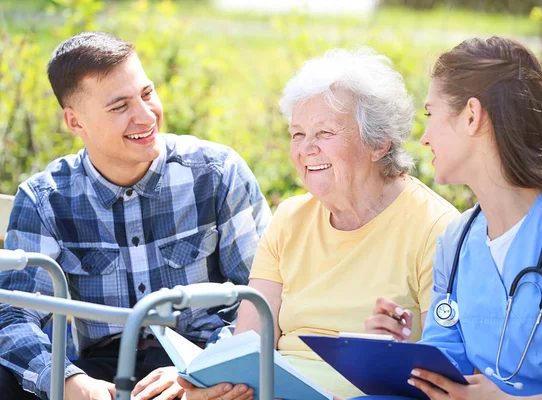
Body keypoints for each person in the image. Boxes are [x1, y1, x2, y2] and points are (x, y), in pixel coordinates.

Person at [173, 48, 459, 400]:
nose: (306, 149)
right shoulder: (290, 220)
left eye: (324, 133)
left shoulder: (436, 228)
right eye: (297, 134)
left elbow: (444, 372)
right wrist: (216, 386)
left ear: (379, 143)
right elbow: (247, 343)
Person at [0, 31, 271, 400]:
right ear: (75, 122)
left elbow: (263, 297)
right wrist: (66, 381)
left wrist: (201, 370)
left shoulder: (218, 173)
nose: (146, 116)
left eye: (147, 94)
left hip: (207, 363)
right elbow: (14, 315)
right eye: (120, 107)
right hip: (101, 372)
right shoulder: (45, 200)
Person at [367, 36, 542, 399]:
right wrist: (398, 350)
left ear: (472, 116)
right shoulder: (455, 242)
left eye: (431, 115)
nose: (424, 137)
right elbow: (448, 374)